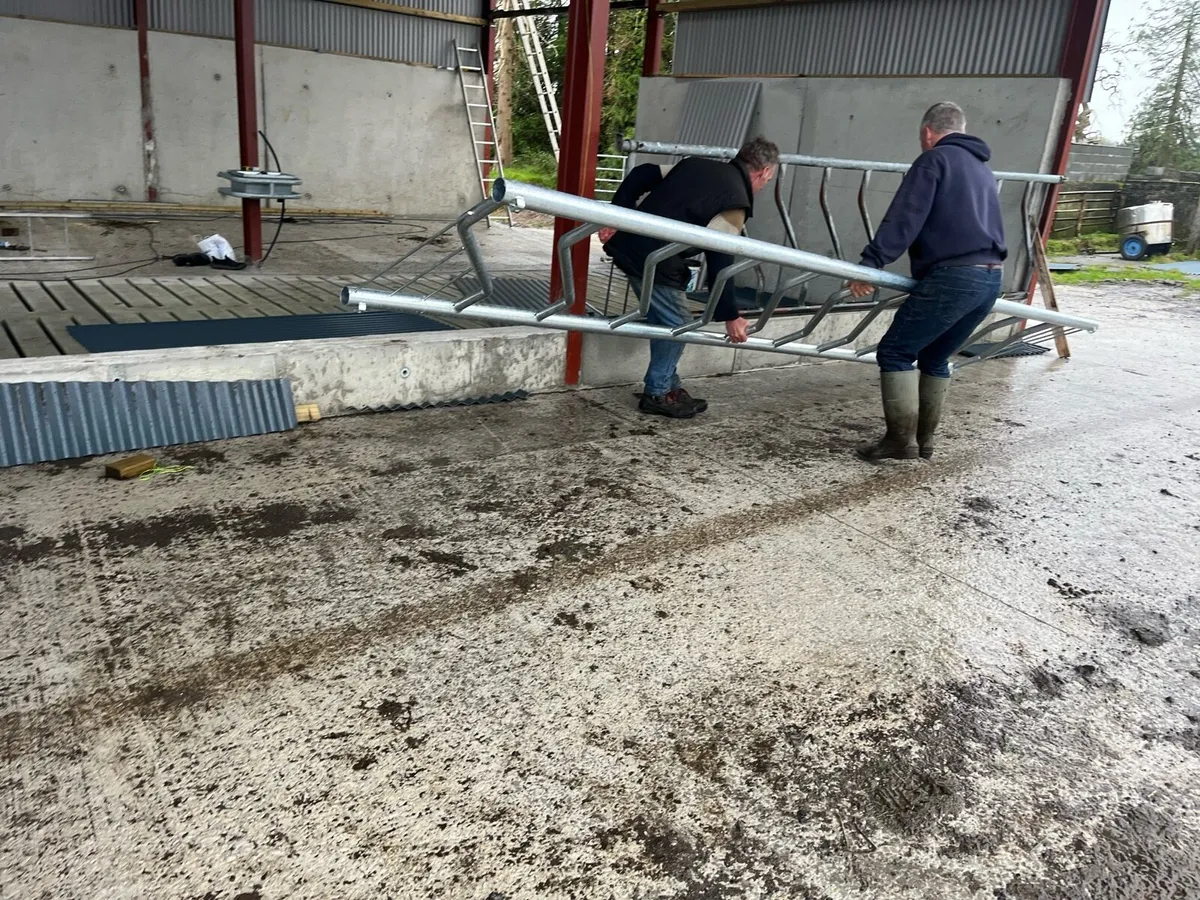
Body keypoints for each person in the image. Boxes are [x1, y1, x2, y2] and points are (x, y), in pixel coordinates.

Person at [847, 102, 1006, 462]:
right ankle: (925, 441)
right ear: (962, 130)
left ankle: (900, 442)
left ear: (927, 133)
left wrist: (871, 262)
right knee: (935, 356)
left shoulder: (934, 160)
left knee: (895, 352)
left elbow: (905, 217)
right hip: (991, 277)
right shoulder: (982, 170)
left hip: (955, 275)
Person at [599, 137, 780, 418]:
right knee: (678, 323)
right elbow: (721, 260)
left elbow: (642, 173)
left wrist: (617, 214)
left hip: (635, 249)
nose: (763, 186)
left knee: (667, 322)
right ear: (764, 171)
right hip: (653, 260)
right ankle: (658, 392)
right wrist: (731, 315)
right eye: (767, 181)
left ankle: (669, 385)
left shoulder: (695, 165)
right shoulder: (735, 202)